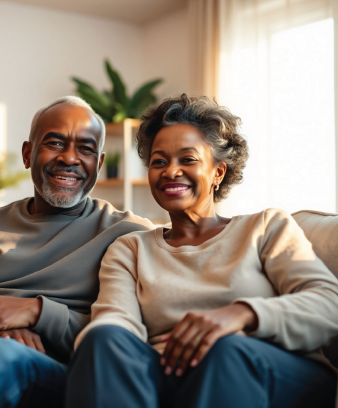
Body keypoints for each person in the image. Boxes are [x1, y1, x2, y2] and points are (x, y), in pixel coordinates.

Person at [67, 94, 338, 408]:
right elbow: (115, 320)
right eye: (159, 162)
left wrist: (240, 315)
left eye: (188, 159)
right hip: (170, 373)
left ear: (218, 173)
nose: (171, 171)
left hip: (271, 370)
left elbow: (329, 304)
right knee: (100, 338)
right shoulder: (131, 248)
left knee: (226, 350)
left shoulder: (265, 228)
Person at [0, 96, 153, 408]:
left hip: (56, 372)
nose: (70, 158)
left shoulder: (128, 232)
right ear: (27, 153)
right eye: (56, 143)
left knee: (4, 356)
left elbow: (125, 333)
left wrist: (38, 312)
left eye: (86, 149)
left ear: (99, 164)